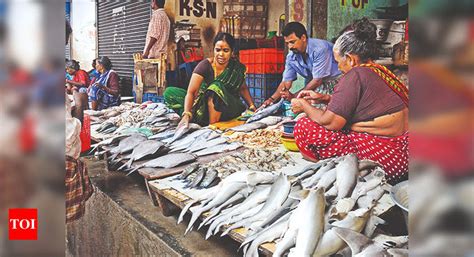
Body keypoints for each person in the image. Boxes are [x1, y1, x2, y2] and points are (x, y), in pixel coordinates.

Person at [290, 18, 409, 185]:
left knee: (304, 127)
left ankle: (324, 172)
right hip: (406, 152)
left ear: (351, 59)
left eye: (339, 62)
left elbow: (331, 122)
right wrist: (325, 98)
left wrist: (303, 105)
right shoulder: (378, 70)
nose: (338, 67)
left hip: (387, 158)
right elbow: (363, 104)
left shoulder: (355, 74)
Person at [164, 32, 256, 127]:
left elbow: (243, 88)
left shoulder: (236, 68)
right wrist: (187, 113)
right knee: (169, 92)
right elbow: (192, 92)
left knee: (215, 87)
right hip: (205, 106)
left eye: (225, 50)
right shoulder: (205, 66)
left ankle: (213, 126)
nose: (221, 54)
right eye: (218, 50)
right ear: (213, 50)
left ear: (232, 52)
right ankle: (194, 116)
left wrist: (252, 106)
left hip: (230, 107)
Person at [260, 22, 341, 109]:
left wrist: (295, 96)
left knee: (327, 112)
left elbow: (317, 80)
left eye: (292, 42)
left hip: (336, 83)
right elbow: (286, 82)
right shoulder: (291, 57)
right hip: (314, 85)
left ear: (303, 38)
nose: (290, 47)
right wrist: (271, 99)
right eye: (287, 43)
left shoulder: (320, 49)